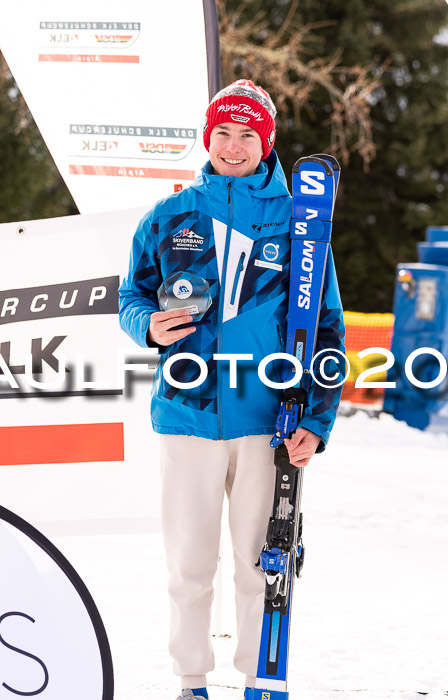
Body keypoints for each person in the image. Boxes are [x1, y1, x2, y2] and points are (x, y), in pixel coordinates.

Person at [119, 79, 345, 700]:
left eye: (247, 134)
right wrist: (146, 323)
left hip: (267, 419)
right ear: (207, 137)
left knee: (260, 563)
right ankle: (192, 679)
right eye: (222, 131)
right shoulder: (172, 215)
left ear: (266, 142)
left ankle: (261, 678)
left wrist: (317, 421)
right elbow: (131, 294)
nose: (233, 145)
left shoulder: (299, 220)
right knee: (189, 566)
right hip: (187, 415)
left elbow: (326, 326)